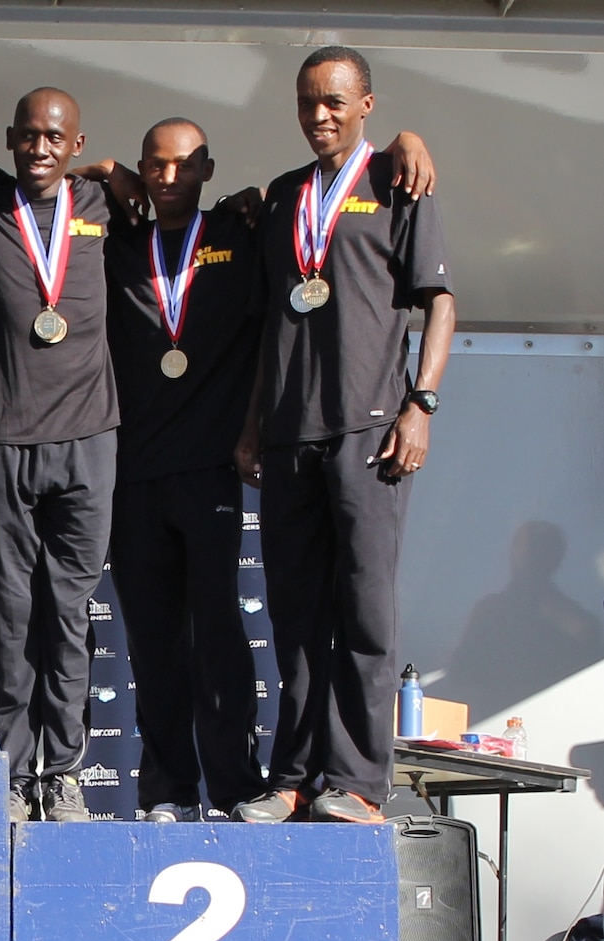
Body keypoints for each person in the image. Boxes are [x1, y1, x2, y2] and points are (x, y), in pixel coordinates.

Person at [232, 45, 454, 824]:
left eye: (332, 101)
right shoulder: (283, 194)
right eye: (305, 102)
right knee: (292, 618)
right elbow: (266, 323)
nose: (317, 115)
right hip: (291, 435)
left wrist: (419, 403)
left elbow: (438, 302)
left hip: (370, 431)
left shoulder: (399, 180)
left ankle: (358, 782)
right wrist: (255, 423)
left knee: (363, 616)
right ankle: (292, 776)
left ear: (366, 105)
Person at [0, 88, 120, 821]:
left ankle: (66, 768)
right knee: (13, 611)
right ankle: (16, 771)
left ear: (76, 144)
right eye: (27, 136)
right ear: (11, 140)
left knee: (68, 610)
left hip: (88, 439)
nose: (40, 148)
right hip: (2, 439)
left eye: (55, 136)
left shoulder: (107, 206)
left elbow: (169, 183)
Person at [103, 118, 268, 824]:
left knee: (219, 635)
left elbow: (269, 341)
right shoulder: (114, 247)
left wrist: (252, 428)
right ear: (141, 170)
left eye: (182, 166)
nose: (168, 178)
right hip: (131, 472)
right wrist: (103, 173)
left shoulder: (239, 238)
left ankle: (233, 786)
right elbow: (70, 178)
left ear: (205, 169)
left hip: (208, 469)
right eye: (154, 167)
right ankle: (165, 789)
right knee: (152, 640)